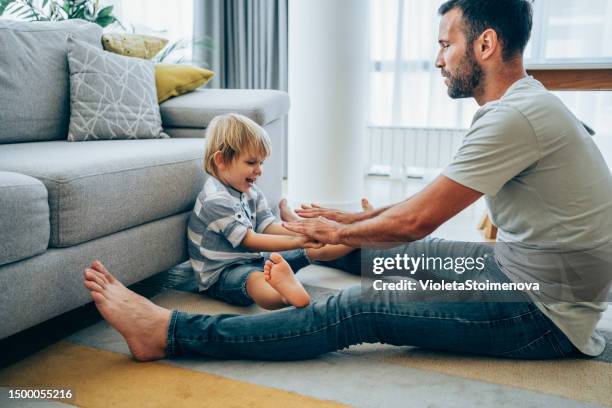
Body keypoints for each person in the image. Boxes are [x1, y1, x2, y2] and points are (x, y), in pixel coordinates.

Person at [84, 0, 612, 362]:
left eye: (445, 44)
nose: (437, 59)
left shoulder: (513, 116)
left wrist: (334, 233)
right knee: (393, 255)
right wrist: (352, 221)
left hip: (544, 311)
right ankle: (291, 257)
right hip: (525, 269)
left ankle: (171, 334)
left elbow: (416, 218)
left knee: (360, 309)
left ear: (485, 44)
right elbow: (427, 200)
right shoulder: (525, 103)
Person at [186, 113, 356, 310]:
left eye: (261, 163)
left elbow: (268, 227)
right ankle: (284, 296)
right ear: (221, 160)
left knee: (308, 249)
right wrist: (296, 241)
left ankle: (354, 236)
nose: (259, 170)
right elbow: (250, 240)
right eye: (251, 163)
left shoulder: (250, 191)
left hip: (255, 259)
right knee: (254, 280)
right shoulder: (215, 199)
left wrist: (306, 232)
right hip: (221, 274)